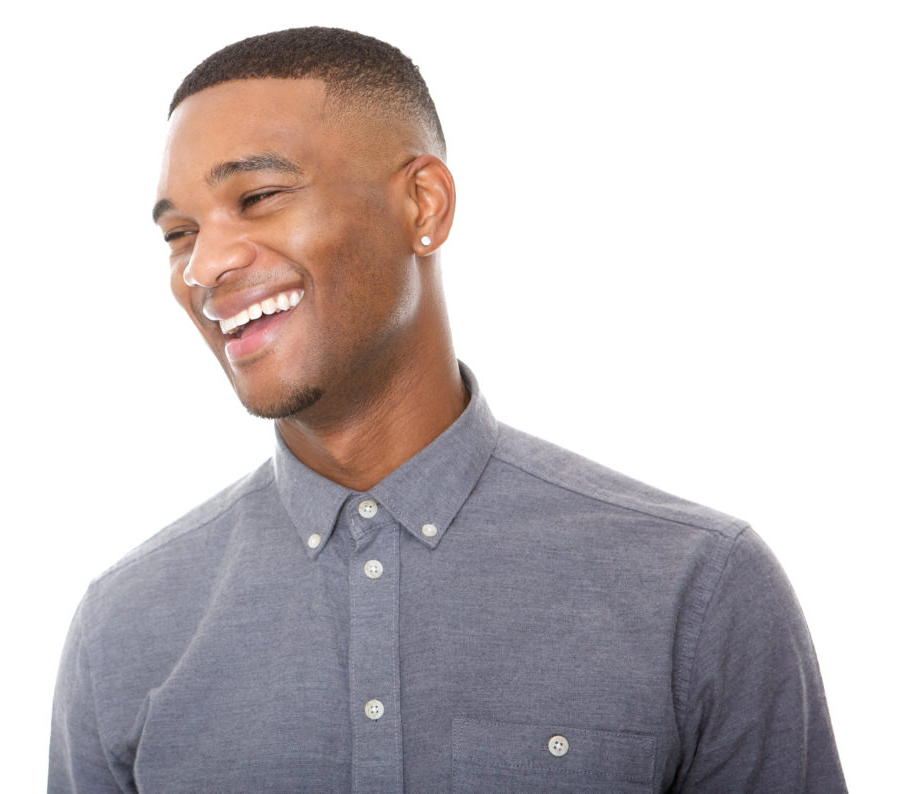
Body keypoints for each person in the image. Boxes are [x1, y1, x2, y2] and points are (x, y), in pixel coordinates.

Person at [49, 27, 847, 793]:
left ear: (424, 205)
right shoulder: (120, 631)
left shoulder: (698, 590)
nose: (205, 265)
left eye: (257, 196)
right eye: (179, 234)